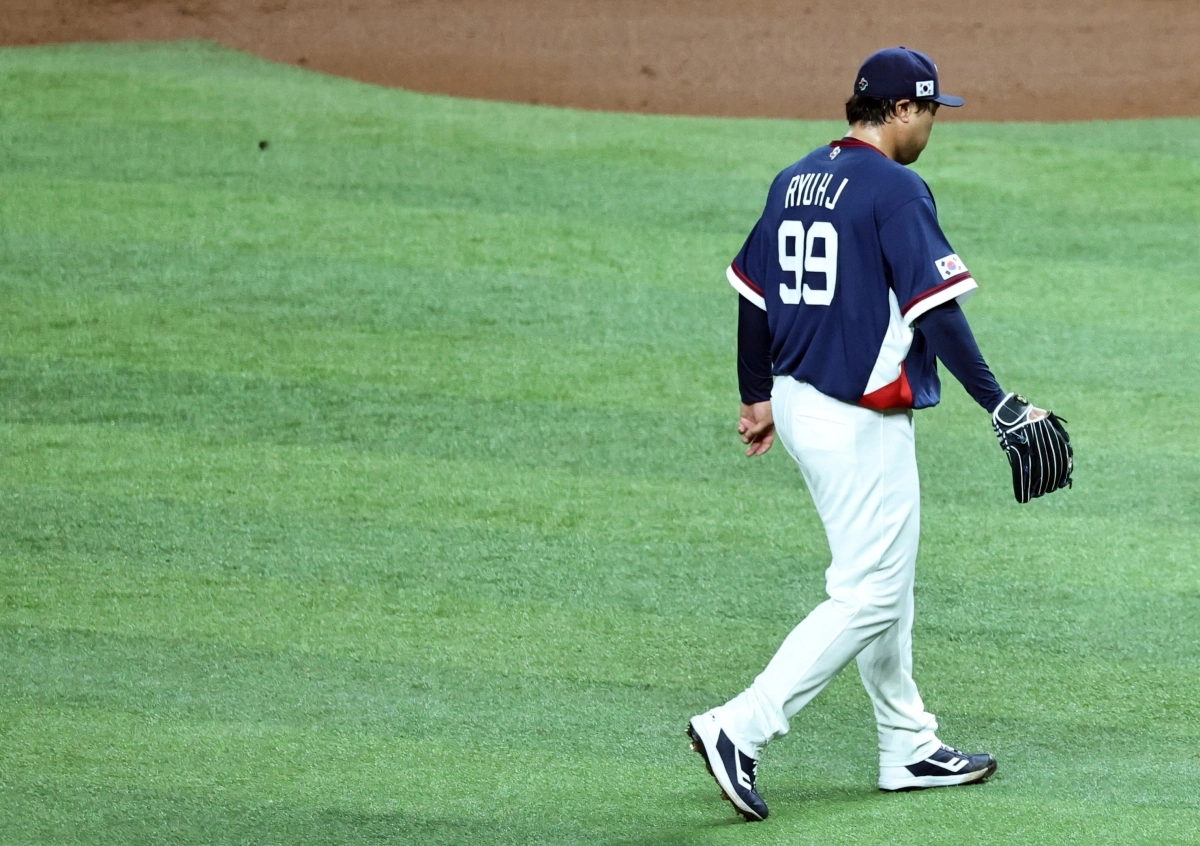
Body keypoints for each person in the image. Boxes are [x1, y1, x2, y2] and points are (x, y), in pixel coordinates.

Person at [686, 47, 1030, 822]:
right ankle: (739, 727)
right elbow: (935, 310)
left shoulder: (795, 177)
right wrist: (998, 403)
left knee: (885, 578)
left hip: (801, 401)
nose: (935, 124)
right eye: (932, 110)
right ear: (902, 110)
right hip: (857, 418)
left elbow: (751, 289)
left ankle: (907, 744)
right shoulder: (895, 189)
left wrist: (756, 396)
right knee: (870, 590)